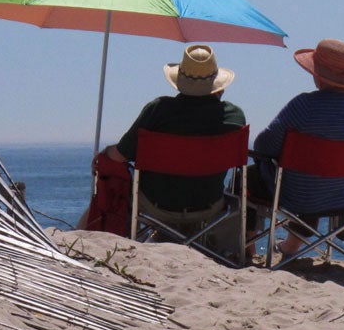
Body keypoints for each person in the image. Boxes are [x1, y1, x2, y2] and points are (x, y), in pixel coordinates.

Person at [81, 44, 246, 241]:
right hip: (209, 205)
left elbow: (119, 156)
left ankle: (83, 237)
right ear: (219, 86)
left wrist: (104, 154)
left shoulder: (159, 110)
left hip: (155, 206)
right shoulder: (234, 116)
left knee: (116, 183)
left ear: (180, 81)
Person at [249, 38, 344, 256]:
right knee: (313, 181)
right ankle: (290, 248)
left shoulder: (304, 105)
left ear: (318, 74)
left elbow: (263, 145)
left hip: (301, 197)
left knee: (250, 178)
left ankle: (248, 250)